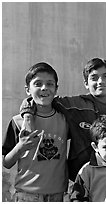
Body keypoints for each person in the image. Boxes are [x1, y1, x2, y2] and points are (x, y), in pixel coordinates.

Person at [20, 58, 106, 182]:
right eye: (94, 77)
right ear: (86, 83)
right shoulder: (74, 105)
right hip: (81, 180)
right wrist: (27, 115)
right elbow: (40, 98)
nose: (100, 81)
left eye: (105, 76)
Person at [2, 62, 69, 202]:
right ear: (28, 90)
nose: (44, 88)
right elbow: (6, 162)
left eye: (50, 84)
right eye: (38, 84)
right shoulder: (17, 121)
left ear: (56, 89)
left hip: (57, 195)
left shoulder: (65, 119)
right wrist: (20, 147)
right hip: (27, 195)